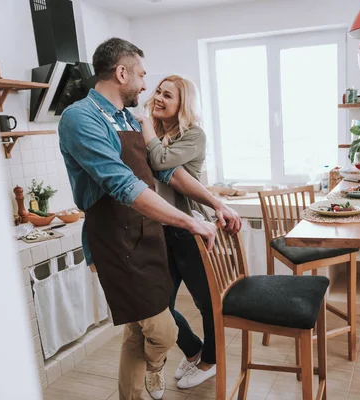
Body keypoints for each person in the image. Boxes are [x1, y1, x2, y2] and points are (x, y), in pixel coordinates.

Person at [58, 38, 236, 400]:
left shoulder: (127, 117)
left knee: (137, 333)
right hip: (115, 240)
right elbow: (123, 185)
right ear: (121, 72)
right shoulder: (80, 118)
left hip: (148, 234)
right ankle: (157, 368)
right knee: (162, 331)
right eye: (140, 75)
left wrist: (214, 202)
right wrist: (192, 222)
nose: (145, 86)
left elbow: (165, 174)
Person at [136, 74, 239, 389]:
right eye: (158, 92)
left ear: (183, 105)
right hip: (157, 230)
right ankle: (193, 349)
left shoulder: (194, 135)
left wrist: (145, 126)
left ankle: (210, 360)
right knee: (159, 307)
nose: (159, 98)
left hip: (188, 230)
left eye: (168, 95)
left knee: (207, 302)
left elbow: (161, 161)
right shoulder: (150, 133)